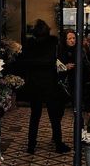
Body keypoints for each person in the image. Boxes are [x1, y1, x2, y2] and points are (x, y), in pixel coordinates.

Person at [22, 19, 70, 155]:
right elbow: (56, 60)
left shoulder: (29, 43)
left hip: (34, 84)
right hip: (50, 83)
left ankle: (31, 145)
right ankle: (58, 144)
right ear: (48, 30)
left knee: (35, 115)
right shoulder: (53, 43)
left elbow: (24, 62)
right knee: (54, 116)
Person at [59, 30, 90, 107]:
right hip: (66, 79)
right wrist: (65, 67)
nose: (72, 40)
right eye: (69, 39)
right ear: (65, 40)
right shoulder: (60, 50)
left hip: (80, 78)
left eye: (74, 38)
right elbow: (57, 64)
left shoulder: (80, 49)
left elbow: (86, 63)